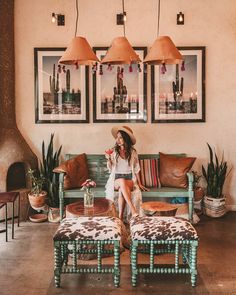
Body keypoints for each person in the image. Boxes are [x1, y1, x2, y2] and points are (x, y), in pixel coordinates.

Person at [105, 126, 148, 220]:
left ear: (126, 138)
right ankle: (133, 210)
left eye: (120, 137)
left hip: (129, 179)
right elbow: (110, 168)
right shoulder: (113, 151)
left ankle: (120, 218)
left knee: (122, 189)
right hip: (116, 180)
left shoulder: (133, 152)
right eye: (117, 137)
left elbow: (136, 169)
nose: (117, 140)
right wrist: (109, 159)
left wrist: (139, 183)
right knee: (121, 182)